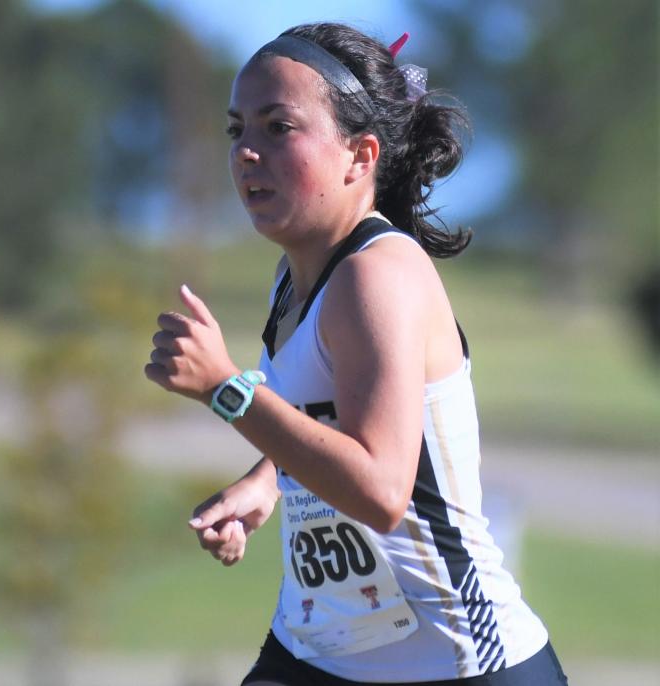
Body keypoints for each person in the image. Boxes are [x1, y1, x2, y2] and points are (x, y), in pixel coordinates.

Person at [144, 22, 569, 686]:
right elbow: (328, 413)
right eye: (237, 131)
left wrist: (227, 389)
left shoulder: (380, 276)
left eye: (278, 128)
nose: (247, 153)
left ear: (361, 155)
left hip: (456, 665)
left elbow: (380, 489)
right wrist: (265, 483)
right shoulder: (296, 274)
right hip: (319, 653)